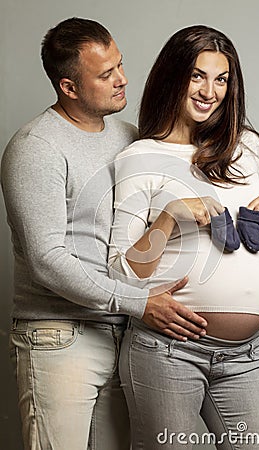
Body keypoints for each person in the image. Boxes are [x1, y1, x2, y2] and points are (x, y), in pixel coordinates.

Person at [0, 18, 208, 450]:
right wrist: (138, 303)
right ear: (69, 87)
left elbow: (159, 225)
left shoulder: (129, 137)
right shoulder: (36, 148)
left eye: (120, 65)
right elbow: (47, 260)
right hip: (59, 336)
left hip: (125, 332)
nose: (123, 80)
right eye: (106, 74)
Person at [109, 25, 259, 449]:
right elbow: (121, 274)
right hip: (167, 352)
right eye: (197, 75)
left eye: (221, 78)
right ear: (173, 76)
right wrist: (170, 217)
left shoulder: (245, 149)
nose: (210, 91)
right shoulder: (140, 157)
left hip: (247, 356)